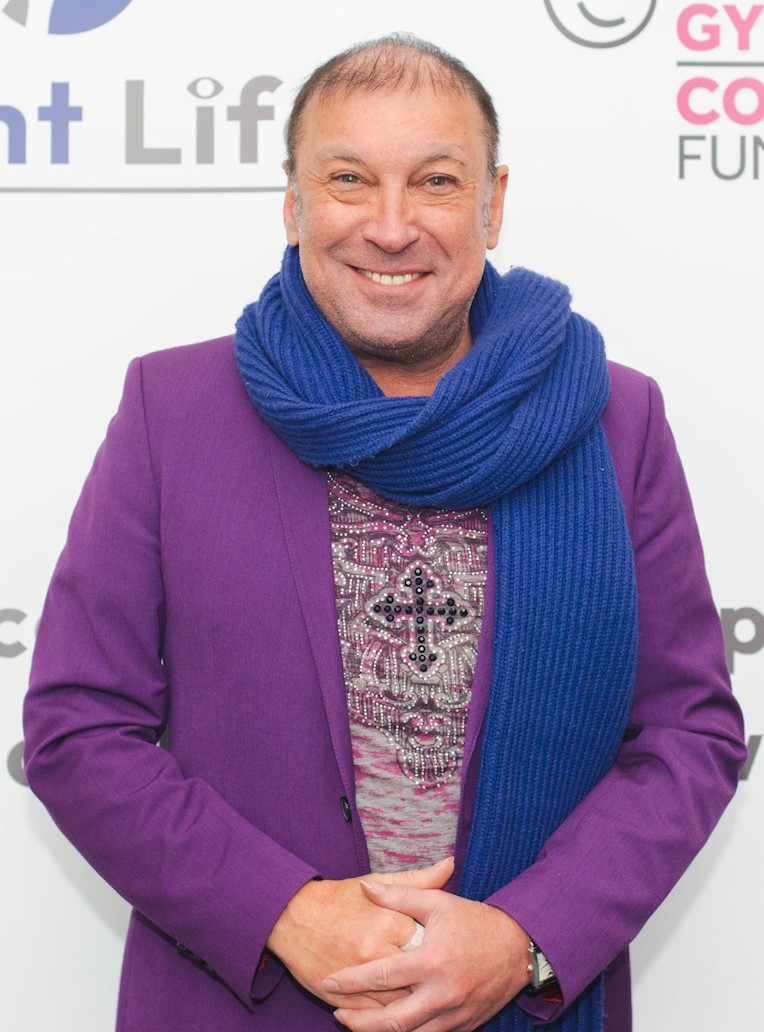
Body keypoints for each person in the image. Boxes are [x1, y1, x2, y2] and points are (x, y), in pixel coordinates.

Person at [23, 33, 746, 1032]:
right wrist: (279, 909)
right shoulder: (173, 409)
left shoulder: (612, 421)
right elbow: (76, 728)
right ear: (293, 204)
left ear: (493, 202)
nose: (391, 225)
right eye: (349, 178)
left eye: (436, 181)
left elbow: (686, 732)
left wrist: (525, 936)